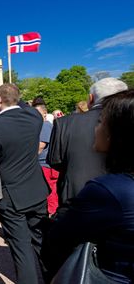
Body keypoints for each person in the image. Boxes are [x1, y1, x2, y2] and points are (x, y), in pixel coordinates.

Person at [42, 89, 134, 282]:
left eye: (100, 122)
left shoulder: (109, 190)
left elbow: (58, 240)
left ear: (115, 133)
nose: (95, 128)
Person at [0, 84, 49, 284]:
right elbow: (26, 106)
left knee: (21, 248)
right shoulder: (34, 118)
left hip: (11, 196)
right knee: (41, 241)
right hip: (36, 190)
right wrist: (17, 96)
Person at [47, 78, 128, 212]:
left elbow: (55, 160)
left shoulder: (65, 123)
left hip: (77, 196)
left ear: (90, 99)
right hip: (123, 200)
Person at [33, 103, 56, 216]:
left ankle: (51, 215)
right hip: (45, 165)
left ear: (45, 113)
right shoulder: (44, 125)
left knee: (49, 192)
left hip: (44, 165)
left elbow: (40, 147)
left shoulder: (45, 125)